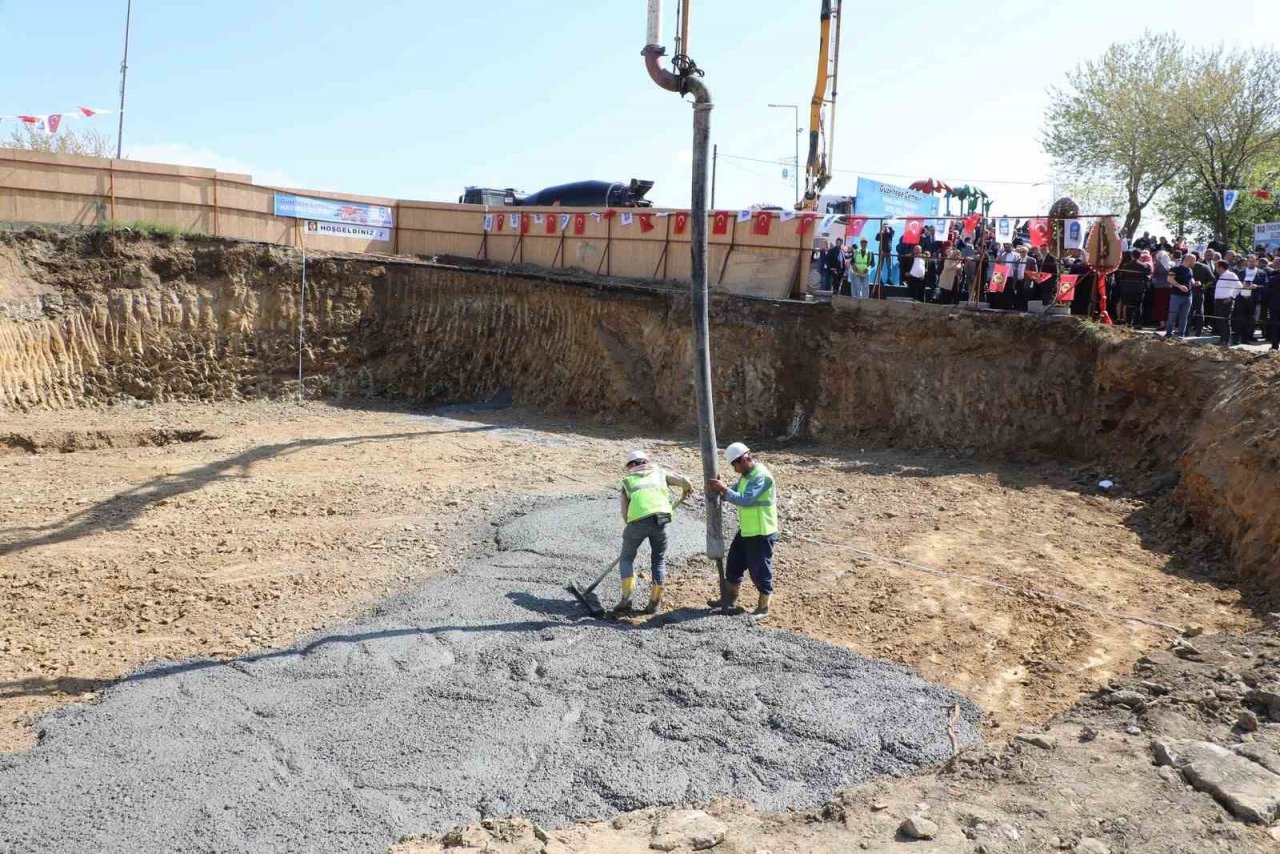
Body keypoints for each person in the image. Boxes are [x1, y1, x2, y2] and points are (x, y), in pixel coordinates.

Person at [614, 450, 693, 615]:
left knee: (627, 558)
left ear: (633, 465)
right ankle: (654, 602)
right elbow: (684, 481)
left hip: (637, 521)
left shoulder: (627, 481)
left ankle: (626, 599)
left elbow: (625, 510)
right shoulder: (660, 474)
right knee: (658, 559)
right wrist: (687, 489)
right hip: (661, 520)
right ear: (646, 461)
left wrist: (629, 528)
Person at [706, 443, 778, 619]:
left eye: (735, 465)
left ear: (745, 459)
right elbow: (735, 492)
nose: (735, 470)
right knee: (734, 564)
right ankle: (729, 600)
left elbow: (745, 500)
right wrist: (722, 491)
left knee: (759, 570)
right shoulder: (746, 476)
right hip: (747, 529)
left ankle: (763, 607)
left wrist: (723, 489)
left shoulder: (761, 477)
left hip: (761, 531)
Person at [1213, 260, 1241, 347]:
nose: (1215, 268)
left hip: (1225, 301)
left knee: (1225, 321)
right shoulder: (1222, 276)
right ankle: (1222, 340)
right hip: (1219, 301)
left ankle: (1226, 341)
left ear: (1221, 267)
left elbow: (1239, 286)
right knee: (1220, 321)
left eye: (1216, 266)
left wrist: (1231, 297)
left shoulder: (1230, 275)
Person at [1168, 253, 1194, 338]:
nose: (1195, 262)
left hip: (1188, 296)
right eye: (1194, 260)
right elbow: (1169, 279)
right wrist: (1179, 286)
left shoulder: (1190, 270)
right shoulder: (1175, 269)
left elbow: (1190, 279)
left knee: (1184, 316)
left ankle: (1181, 334)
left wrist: (1195, 282)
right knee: (1173, 314)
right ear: (1188, 260)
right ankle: (1169, 333)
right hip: (1176, 295)